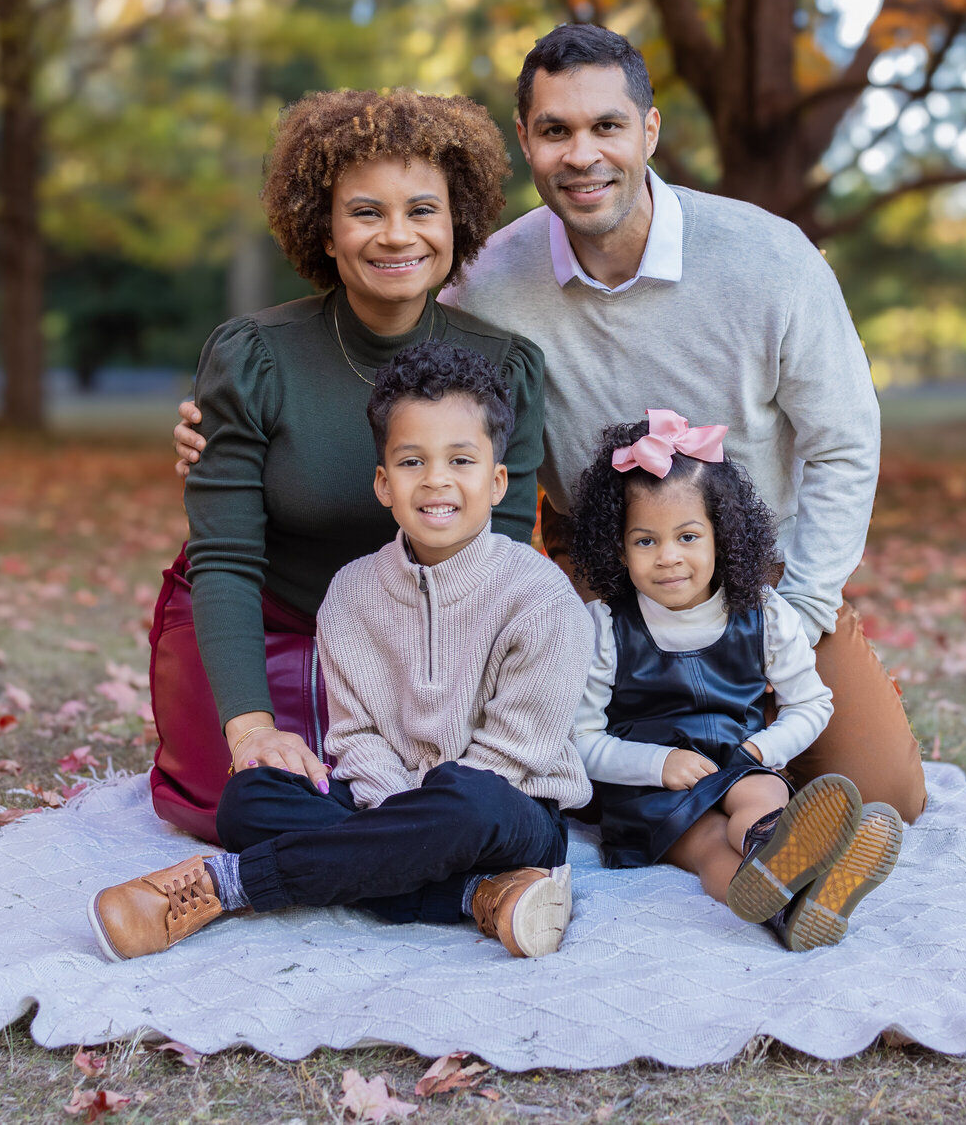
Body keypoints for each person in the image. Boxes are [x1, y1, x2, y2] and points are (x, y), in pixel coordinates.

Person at [176, 26, 927, 823]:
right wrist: (218, 425)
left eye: (606, 126)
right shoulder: (488, 278)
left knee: (883, 795)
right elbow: (406, 361)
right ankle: (732, 819)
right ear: (526, 140)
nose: (582, 154)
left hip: (755, 569)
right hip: (597, 572)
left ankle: (748, 789)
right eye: (555, 130)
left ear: (650, 130)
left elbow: (844, 443)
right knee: (584, 783)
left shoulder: (770, 260)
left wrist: (802, 612)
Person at [89, 343, 592, 960]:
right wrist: (400, 823)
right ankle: (479, 897)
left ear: (497, 481)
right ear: (384, 483)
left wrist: (415, 823)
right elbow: (356, 737)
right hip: (386, 799)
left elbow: (518, 754)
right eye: (412, 461)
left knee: (470, 800)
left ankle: (232, 884)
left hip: (507, 815)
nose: (436, 479)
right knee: (250, 799)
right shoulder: (353, 594)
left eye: (461, 460)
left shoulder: (541, 596)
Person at [152, 89, 547, 843]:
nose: (396, 235)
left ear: (455, 223)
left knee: (436, 792)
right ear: (324, 231)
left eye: (422, 210)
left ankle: (372, 866)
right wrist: (249, 729)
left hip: (423, 644)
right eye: (366, 211)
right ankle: (439, 871)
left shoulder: (506, 367)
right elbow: (226, 560)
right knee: (252, 799)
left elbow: (497, 566)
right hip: (269, 626)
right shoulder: (253, 358)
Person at [569, 412, 903, 950]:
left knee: (764, 792)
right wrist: (657, 764)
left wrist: (759, 747)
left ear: (721, 537)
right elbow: (581, 741)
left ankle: (786, 864)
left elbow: (812, 705)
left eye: (688, 536)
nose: (669, 556)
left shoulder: (765, 614)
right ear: (618, 548)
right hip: (651, 791)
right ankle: (791, 904)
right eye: (645, 541)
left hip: (738, 762)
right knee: (706, 849)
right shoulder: (607, 627)